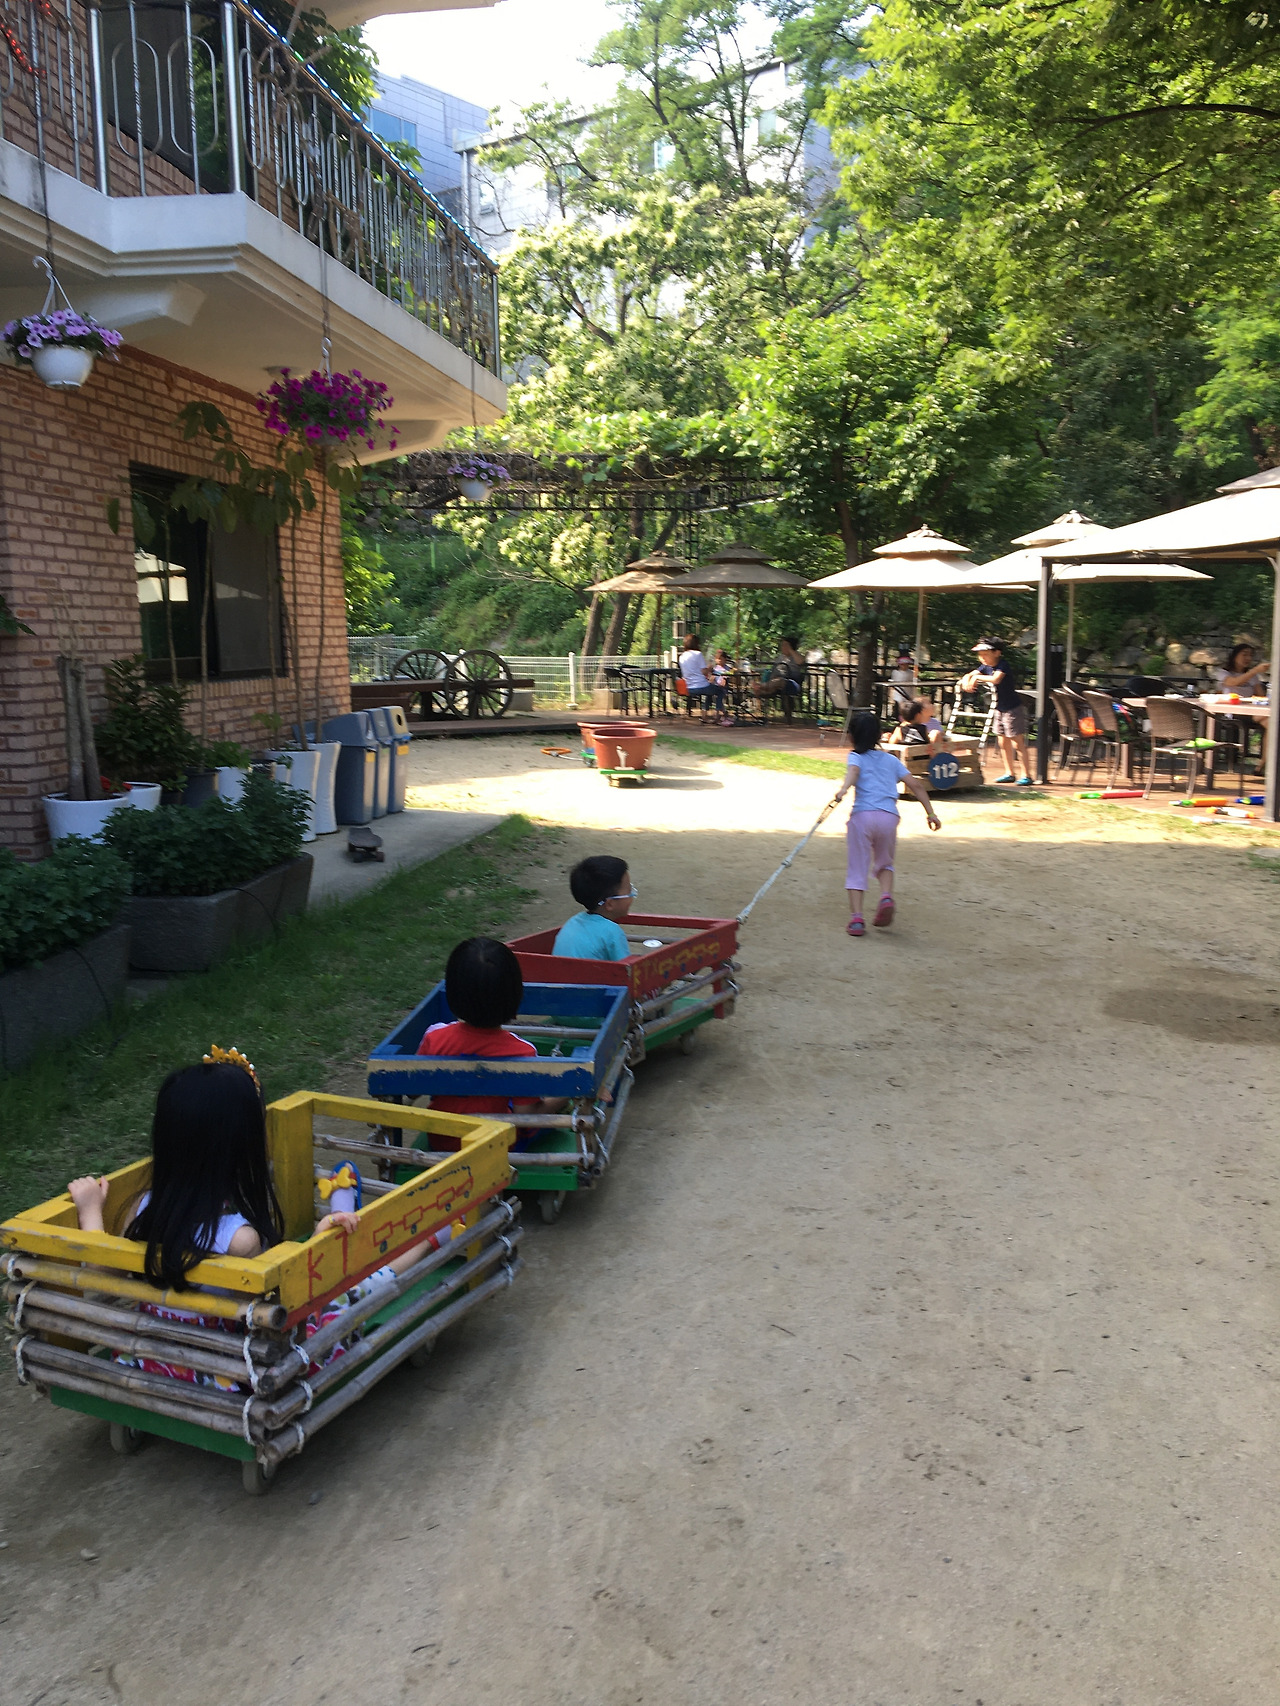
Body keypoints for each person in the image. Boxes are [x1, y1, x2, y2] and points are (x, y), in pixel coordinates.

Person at [66, 1049, 441, 1385]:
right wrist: (316, 1243)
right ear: (238, 1149)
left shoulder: (144, 1207)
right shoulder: (238, 1239)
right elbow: (277, 1310)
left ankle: (363, 1216)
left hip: (157, 1358)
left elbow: (101, 1272)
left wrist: (90, 1209)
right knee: (347, 1291)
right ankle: (429, 1239)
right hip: (228, 1369)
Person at [833, 711, 940, 937]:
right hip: (888, 818)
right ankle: (885, 896)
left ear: (852, 736)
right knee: (885, 863)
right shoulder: (891, 760)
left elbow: (854, 772)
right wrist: (931, 813)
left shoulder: (856, 757)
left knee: (857, 866)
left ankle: (857, 920)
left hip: (862, 817)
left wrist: (843, 789)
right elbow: (916, 785)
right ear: (879, 735)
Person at [418, 936, 539, 1120]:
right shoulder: (523, 1052)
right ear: (515, 995)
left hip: (441, 1134)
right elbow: (527, 1115)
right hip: (495, 1137)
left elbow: (412, 1090)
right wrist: (566, 1095)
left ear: (453, 992)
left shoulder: (434, 1037)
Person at [959, 637, 1032, 785]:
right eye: (980, 655)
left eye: (985, 654)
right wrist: (967, 679)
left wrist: (976, 678)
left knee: (1017, 742)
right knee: (1002, 741)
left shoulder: (1002, 665)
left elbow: (995, 679)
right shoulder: (984, 667)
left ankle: (1026, 775)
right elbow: (969, 674)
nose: (982, 658)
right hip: (998, 708)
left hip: (1012, 708)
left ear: (997, 653)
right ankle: (1009, 773)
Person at [553, 855, 634, 961]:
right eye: (629, 891)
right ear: (610, 904)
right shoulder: (611, 932)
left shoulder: (572, 923)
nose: (632, 895)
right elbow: (626, 968)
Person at [678, 633, 729, 722]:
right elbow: (704, 672)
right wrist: (710, 668)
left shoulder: (681, 656)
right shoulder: (698, 654)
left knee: (709, 691)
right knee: (720, 691)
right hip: (701, 686)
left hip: (688, 688)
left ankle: (704, 715)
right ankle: (717, 714)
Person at [749, 636, 806, 708]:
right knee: (772, 686)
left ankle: (761, 686)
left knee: (779, 681)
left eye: (785, 645)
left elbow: (801, 661)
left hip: (792, 683)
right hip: (776, 682)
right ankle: (761, 692)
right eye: (782, 645)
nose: (782, 647)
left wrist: (790, 650)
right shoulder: (780, 657)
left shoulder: (796, 656)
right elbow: (772, 668)